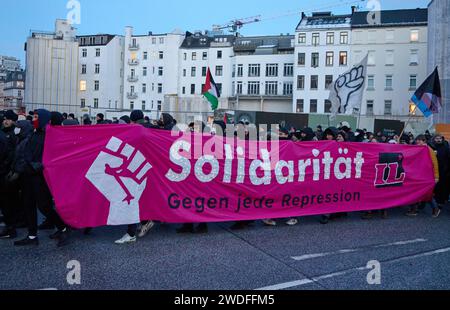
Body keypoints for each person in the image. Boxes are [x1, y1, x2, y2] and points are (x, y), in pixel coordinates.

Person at [14, 109, 70, 247]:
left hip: (40, 177)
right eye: (33, 116)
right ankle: (32, 236)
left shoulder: (50, 136)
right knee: (28, 205)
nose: (33, 119)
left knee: (44, 206)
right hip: (28, 175)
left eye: (36, 117)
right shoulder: (33, 133)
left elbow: (53, 158)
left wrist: (35, 166)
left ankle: (62, 227)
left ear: (44, 119)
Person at [114, 110, 156, 245]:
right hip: (152, 168)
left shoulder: (134, 130)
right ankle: (144, 221)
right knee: (143, 198)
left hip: (136, 168)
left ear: (132, 120)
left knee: (131, 200)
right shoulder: (153, 128)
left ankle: (131, 232)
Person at [406, 135, 441, 217]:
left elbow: (434, 163)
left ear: (423, 141)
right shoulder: (418, 149)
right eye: (416, 140)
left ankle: (435, 208)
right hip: (418, 175)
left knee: (427, 194)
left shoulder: (428, 149)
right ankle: (414, 208)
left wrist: (436, 176)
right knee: (415, 192)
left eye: (419, 140)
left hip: (427, 176)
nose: (417, 142)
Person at [0, 111, 19, 239]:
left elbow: (13, 154)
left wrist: (9, 169)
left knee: (8, 201)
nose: (5, 121)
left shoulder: (14, 134)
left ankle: (11, 227)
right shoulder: (5, 133)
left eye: (8, 119)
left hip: (8, 172)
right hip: (6, 170)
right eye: (4, 119)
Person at [430, 134, 450, 210]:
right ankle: (435, 199)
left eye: (440, 138)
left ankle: (440, 201)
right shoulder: (431, 147)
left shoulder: (446, 147)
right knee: (436, 186)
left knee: (442, 186)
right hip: (434, 169)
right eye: (437, 138)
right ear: (434, 139)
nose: (438, 140)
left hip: (444, 170)